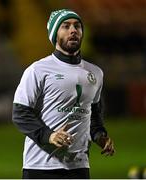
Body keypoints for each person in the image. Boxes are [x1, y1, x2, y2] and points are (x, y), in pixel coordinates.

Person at [12, 9, 115, 179]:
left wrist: (100, 137)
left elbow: (93, 116)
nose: (73, 30)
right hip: (40, 166)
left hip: (79, 166)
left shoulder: (95, 73)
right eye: (65, 26)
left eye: (77, 26)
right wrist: (49, 136)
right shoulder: (37, 70)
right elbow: (20, 114)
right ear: (54, 33)